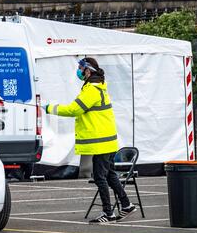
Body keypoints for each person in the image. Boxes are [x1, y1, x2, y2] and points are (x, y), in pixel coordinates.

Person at [44, 57, 137, 224]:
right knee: (109, 175)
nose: (78, 71)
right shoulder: (96, 87)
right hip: (106, 142)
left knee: (100, 176)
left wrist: (49, 108)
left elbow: (73, 110)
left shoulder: (92, 90)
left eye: (81, 68)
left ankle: (108, 213)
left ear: (88, 70)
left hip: (101, 143)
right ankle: (126, 205)